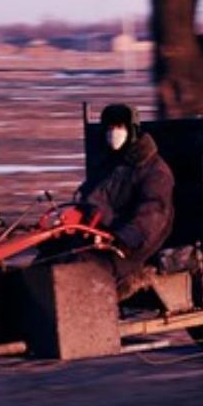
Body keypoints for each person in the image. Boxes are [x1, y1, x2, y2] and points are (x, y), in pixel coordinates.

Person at [78, 103, 174, 299]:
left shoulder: (155, 170)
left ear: (131, 131)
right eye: (110, 128)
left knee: (85, 269)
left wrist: (120, 239)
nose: (113, 133)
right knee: (57, 255)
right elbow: (93, 199)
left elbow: (152, 215)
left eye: (119, 128)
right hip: (102, 237)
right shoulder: (110, 165)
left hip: (133, 248)